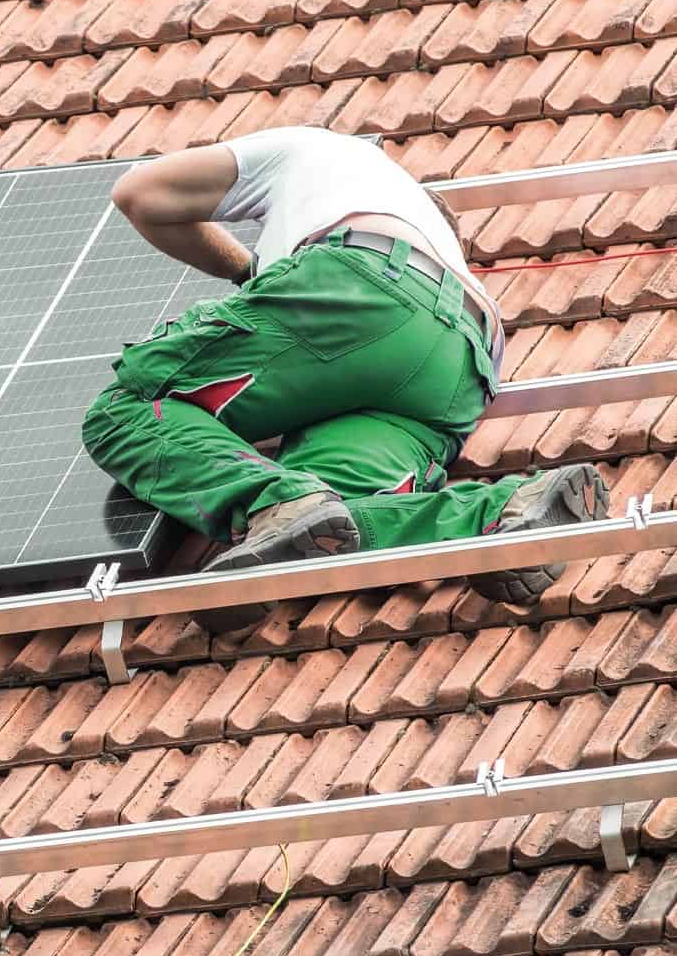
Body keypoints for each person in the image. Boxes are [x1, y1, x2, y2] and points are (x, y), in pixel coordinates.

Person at [83, 126, 608, 634]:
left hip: (358, 287)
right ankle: (503, 512)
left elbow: (138, 193)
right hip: (463, 357)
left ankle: (274, 499)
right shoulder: (423, 227)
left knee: (126, 407)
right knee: (331, 527)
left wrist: (249, 274)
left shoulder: (310, 147)